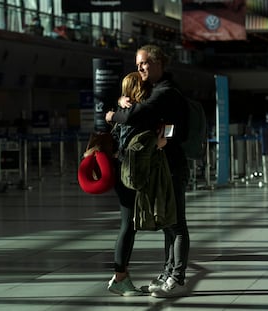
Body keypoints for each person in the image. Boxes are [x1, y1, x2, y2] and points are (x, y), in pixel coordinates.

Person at [106, 45, 190, 298]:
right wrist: (122, 102)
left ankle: (176, 276)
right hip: (161, 168)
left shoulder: (166, 91)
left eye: (143, 63)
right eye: (138, 63)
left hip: (172, 166)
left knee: (175, 223)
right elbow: (141, 111)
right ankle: (167, 273)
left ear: (157, 63)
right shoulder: (158, 90)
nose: (139, 67)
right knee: (167, 221)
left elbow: (141, 113)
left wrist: (113, 115)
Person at [107, 71, 168, 296]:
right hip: (131, 174)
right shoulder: (141, 113)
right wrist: (161, 141)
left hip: (122, 173)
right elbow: (147, 140)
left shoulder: (124, 110)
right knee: (129, 225)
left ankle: (122, 275)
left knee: (129, 224)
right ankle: (120, 277)